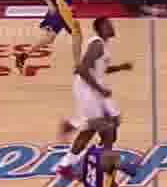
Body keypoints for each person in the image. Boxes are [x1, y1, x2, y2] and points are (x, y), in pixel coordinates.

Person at [55, 18, 133, 178]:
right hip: (87, 89)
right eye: (108, 25)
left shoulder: (103, 45)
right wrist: (100, 89)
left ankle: (73, 130)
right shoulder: (97, 44)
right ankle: (103, 162)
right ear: (100, 29)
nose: (112, 27)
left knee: (111, 121)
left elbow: (99, 69)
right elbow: (82, 69)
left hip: (93, 89)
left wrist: (120, 68)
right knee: (104, 128)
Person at [16, 0, 89, 76]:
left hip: (67, 10)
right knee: (77, 35)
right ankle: (78, 66)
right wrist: (49, 4)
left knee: (49, 38)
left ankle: (23, 56)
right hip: (62, 10)